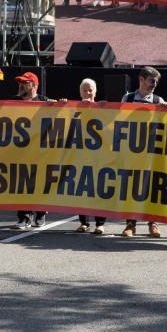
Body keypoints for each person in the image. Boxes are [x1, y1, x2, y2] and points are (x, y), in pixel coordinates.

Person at [120, 67, 167, 238]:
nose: (154, 85)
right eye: (151, 81)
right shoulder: (128, 98)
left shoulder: (158, 99)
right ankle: (130, 225)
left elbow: (165, 123)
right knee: (131, 188)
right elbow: (120, 119)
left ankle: (152, 224)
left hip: (151, 152)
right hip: (132, 151)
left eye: (156, 82)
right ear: (141, 79)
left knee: (152, 187)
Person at [12, 72, 52, 230]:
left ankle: (41, 214)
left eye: (25, 83)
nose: (21, 85)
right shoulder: (13, 101)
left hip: (41, 151)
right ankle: (23, 217)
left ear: (34, 85)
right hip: (21, 151)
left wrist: (62, 104)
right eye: (20, 82)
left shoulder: (45, 101)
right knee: (22, 184)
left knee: (41, 182)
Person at [75, 78, 107, 235]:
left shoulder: (104, 107)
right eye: (85, 90)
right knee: (81, 189)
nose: (88, 93)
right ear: (80, 92)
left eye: (90, 90)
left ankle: (100, 224)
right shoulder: (71, 108)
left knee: (99, 189)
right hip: (80, 156)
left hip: (99, 156)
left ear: (95, 92)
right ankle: (84, 222)